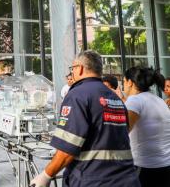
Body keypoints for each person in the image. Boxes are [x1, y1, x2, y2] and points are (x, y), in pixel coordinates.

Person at [31, 50, 139, 187]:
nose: (72, 73)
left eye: (73, 69)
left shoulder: (77, 95)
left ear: (80, 68)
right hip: (127, 179)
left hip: (93, 179)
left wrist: (45, 175)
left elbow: (67, 148)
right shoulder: (115, 98)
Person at [123, 67, 170, 187]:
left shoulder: (134, 101)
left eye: (123, 82)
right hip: (165, 166)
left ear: (130, 82)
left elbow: (122, 133)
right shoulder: (159, 100)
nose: (123, 86)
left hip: (145, 168)